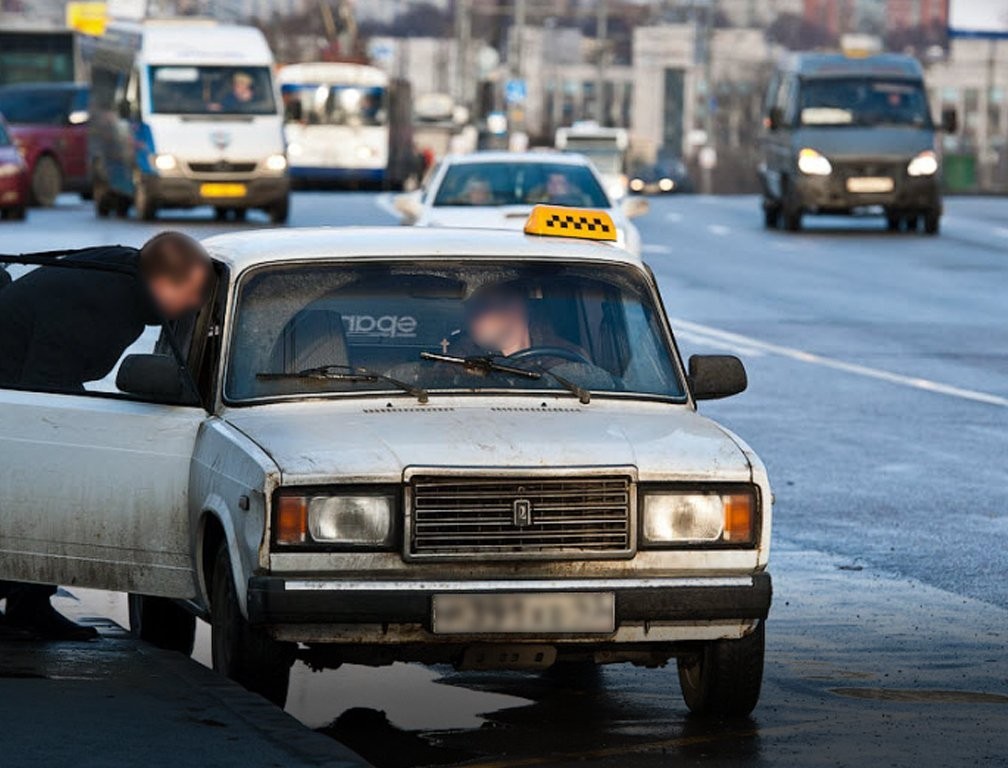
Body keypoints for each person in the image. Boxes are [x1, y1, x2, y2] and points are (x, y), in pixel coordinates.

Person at [0, 232, 212, 640]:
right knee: (41, 486)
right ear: (163, 282)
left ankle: (30, 603)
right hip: (14, 383)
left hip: (23, 376)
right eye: (189, 295)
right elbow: (45, 387)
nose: (193, 305)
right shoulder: (106, 300)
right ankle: (24, 602)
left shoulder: (126, 273)